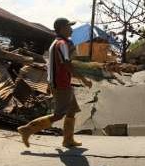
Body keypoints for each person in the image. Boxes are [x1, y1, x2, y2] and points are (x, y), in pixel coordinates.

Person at [17, 18, 92, 148]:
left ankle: (68, 140)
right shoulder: (61, 44)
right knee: (59, 115)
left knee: (72, 110)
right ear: (62, 28)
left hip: (61, 82)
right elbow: (67, 64)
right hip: (60, 83)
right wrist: (84, 79)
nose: (72, 29)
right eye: (69, 27)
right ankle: (27, 129)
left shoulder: (57, 43)